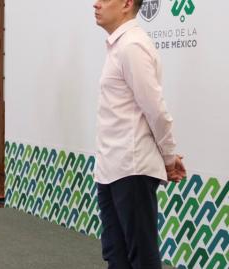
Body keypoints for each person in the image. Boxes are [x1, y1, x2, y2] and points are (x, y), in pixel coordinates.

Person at [92, 0, 186, 268]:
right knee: (115, 254)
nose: (96, 4)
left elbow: (155, 110)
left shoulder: (132, 45)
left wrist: (168, 158)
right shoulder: (118, 45)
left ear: (126, 4)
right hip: (111, 168)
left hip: (131, 168)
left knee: (141, 256)